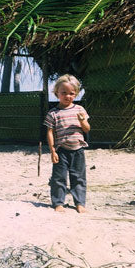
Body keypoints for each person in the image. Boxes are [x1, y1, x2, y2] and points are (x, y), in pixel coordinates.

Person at [44, 74, 90, 213]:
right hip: (61, 150)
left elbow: (87, 129)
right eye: (64, 93)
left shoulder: (79, 110)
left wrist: (82, 121)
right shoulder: (53, 113)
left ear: (76, 94)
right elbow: (50, 132)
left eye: (71, 93)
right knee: (59, 178)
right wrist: (52, 151)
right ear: (56, 93)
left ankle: (80, 203)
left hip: (78, 150)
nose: (67, 96)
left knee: (79, 178)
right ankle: (58, 203)